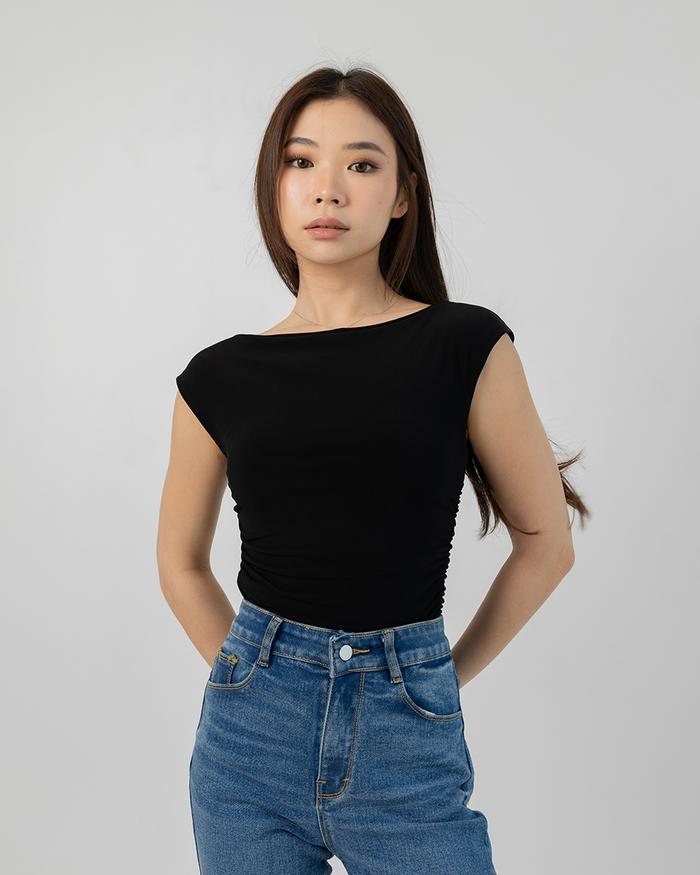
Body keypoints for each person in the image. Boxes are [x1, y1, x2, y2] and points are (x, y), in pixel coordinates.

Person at [157, 66, 589, 875]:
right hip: (246, 753)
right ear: (274, 187)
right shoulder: (217, 376)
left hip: (407, 740)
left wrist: (435, 677)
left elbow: (547, 542)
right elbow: (180, 562)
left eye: (360, 163)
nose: (328, 188)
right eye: (301, 161)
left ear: (401, 196)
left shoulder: (464, 345)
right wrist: (249, 677)